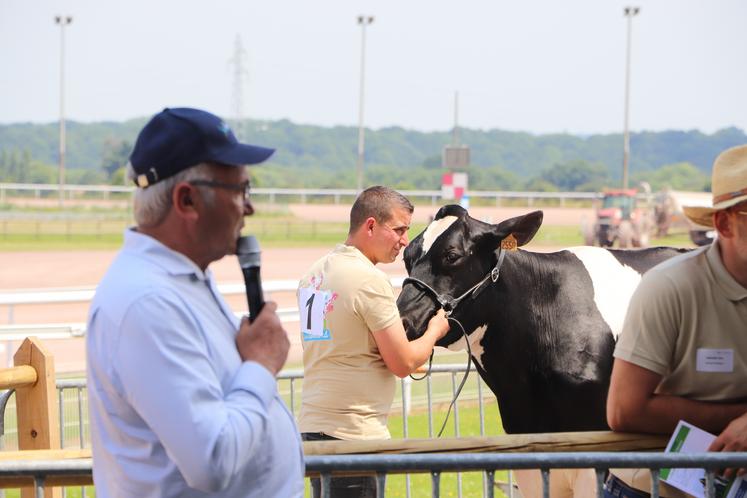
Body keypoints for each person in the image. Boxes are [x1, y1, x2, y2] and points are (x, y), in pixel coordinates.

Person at [86, 107, 304, 497]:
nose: (249, 208)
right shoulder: (147, 302)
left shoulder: (183, 279)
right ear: (187, 200)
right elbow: (213, 460)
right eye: (240, 191)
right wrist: (260, 364)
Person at [605, 144, 747, 498]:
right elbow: (624, 410)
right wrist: (737, 421)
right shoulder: (670, 287)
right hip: (652, 490)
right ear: (723, 223)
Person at [297, 186, 450, 497]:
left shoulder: (312, 275)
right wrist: (435, 330)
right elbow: (404, 363)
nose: (405, 240)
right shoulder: (369, 279)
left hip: (313, 426)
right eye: (399, 230)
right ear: (370, 226)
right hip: (353, 434)